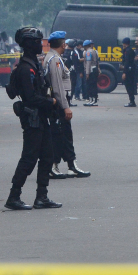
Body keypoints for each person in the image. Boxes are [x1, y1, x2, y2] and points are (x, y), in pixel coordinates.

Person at [5, 27, 63, 211]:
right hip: (32, 118)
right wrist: (51, 101)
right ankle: (14, 196)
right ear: (29, 44)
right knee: (29, 158)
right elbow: (30, 97)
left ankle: (42, 196)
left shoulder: (34, 64)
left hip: (41, 117)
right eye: (38, 41)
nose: (41, 44)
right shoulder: (25, 68)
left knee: (47, 156)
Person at [44, 31, 91, 179]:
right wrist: (65, 106)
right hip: (58, 103)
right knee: (57, 135)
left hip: (59, 102)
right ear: (62, 44)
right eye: (64, 42)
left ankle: (71, 164)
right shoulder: (54, 60)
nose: (65, 45)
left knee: (65, 134)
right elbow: (57, 86)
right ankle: (53, 165)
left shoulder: (54, 57)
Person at [120, 37, 137, 107]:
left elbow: (127, 62)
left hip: (128, 71)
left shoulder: (127, 51)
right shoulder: (130, 50)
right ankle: (132, 101)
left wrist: (124, 72)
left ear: (124, 43)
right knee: (130, 85)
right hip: (131, 70)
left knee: (129, 86)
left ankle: (132, 101)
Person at [83, 40, 100, 106]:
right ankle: (93, 100)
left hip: (91, 70)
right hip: (94, 69)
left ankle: (92, 100)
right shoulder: (94, 51)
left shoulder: (88, 52)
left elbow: (88, 63)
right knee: (93, 85)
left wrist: (87, 73)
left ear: (85, 46)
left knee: (90, 85)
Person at [63, 39, 78, 107]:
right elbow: (75, 62)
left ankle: (65, 101)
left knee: (65, 87)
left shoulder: (64, 52)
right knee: (72, 86)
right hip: (72, 72)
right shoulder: (73, 52)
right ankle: (69, 101)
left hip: (64, 71)